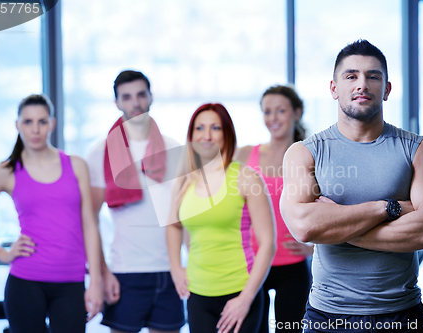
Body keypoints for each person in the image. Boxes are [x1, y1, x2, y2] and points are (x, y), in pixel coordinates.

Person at [281, 39, 423, 333]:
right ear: (334, 89)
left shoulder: (419, 150)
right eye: (351, 76)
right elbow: (305, 228)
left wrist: (336, 227)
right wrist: (387, 208)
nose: (362, 84)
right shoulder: (305, 152)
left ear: (386, 89)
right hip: (327, 317)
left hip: (401, 314)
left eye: (373, 76)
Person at [0, 94, 103, 333]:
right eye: (28, 122)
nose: (35, 129)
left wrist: (95, 281)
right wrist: (2, 255)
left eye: (42, 121)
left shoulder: (76, 165)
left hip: (71, 282)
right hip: (25, 283)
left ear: (52, 124)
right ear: (17, 125)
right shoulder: (6, 171)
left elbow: (89, 224)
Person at [86, 70, 185, 333]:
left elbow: (184, 216)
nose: (136, 103)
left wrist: (187, 266)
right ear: (117, 103)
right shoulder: (99, 154)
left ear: (151, 97)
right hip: (124, 272)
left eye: (141, 94)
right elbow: (90, 221)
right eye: (127, 97)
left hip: (170, 270)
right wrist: (103, 273)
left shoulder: (174, 148)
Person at [166, 103, 276, 333]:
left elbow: (268, 243)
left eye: (215, 128)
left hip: (240, 292)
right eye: (199, 128)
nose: (206, 135)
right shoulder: (184, 181)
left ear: (227, 133)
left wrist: (246, 299)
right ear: (191, 135)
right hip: (198, 295)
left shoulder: (246, 177)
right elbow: (173, 226)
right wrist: (175, 266)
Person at [235, 85, 313, 333]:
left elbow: (329, 209)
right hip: (252, 265)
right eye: (267, 112)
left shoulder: (311, 157)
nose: (273, 118)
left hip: (293, 264)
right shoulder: (245, 155)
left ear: (297, 113)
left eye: (280, 111)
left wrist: (315, 247)